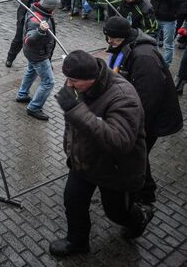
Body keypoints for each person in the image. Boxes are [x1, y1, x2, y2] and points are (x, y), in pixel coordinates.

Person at [50, 50, 151, 257]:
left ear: (92, 78)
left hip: (114, 168)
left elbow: (120, 142)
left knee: (116, 213)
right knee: (73, 201)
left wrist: (76, 110)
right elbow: (76, 123)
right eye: (67, 79)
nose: (68, 85)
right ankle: (77, 242)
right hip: (84, 161)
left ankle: (139, 218)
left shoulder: (123, 96)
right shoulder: (80, 85)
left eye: (74, 80)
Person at [102, 17, 183, 206]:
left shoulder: (144, 57)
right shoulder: (125, 47)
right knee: (137, 156)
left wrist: (132, 126)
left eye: (112, 38)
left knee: (136, 156)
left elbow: (148, 98)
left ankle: (145, 195)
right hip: (138, 115)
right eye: (107, 37)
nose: (109, 42)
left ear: (123, 36)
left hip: (150, 119)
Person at [15, 0, 61, 121]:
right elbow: (29, 40)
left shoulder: (37, 10)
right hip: (38, 55)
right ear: (51, 7)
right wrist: (40, 31)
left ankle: (22, 95)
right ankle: (34, 107)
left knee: (31, 72)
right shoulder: (36, 21)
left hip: (33, 53)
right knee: (48, 82)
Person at [5, 0, 50, 67]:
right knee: (18, 40)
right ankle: (10, 58)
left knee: (45, 42)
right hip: (25, 19)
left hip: (41, 20)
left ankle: (47, 61)